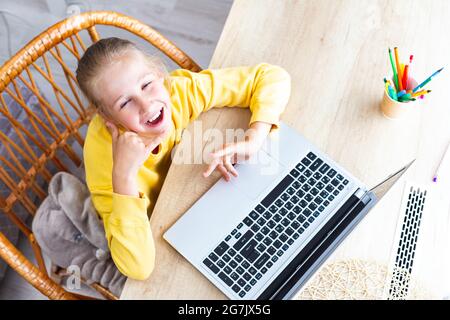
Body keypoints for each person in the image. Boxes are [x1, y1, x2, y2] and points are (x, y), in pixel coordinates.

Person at [76, 37, 291, 280]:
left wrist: (254, 138)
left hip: (198, 195)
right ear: (108, 118)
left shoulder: (178, 90)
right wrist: (123, 177)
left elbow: (270, 77)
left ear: (159, 74)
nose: (146, 105)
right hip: (162, 230)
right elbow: (137, 267)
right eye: (125, 102)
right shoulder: (105, 161)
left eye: (146, 85)